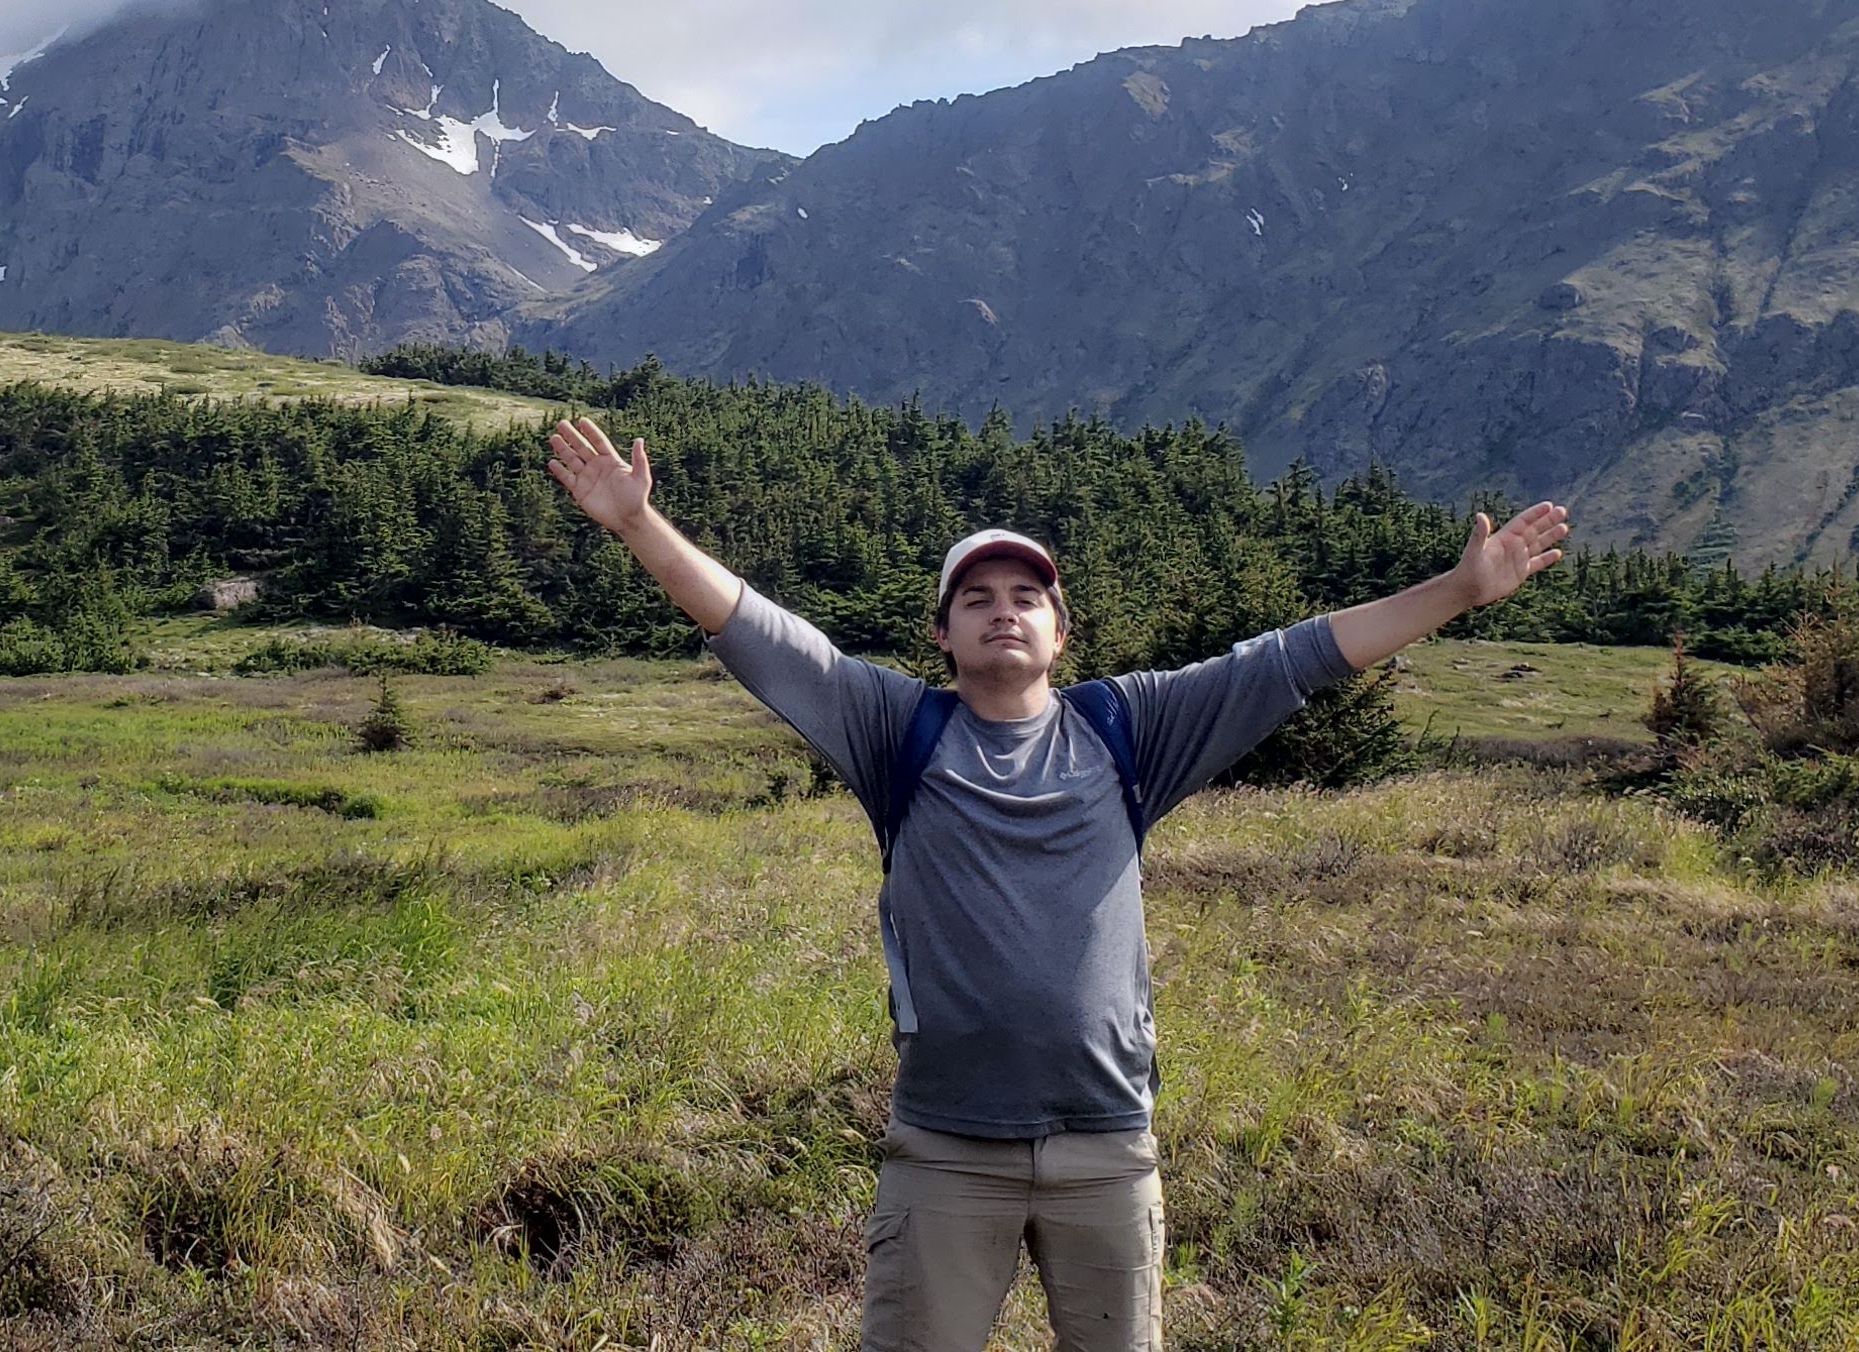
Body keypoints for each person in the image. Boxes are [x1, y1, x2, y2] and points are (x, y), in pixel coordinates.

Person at [542, 417, 1570, 1352]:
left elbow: (1295, 659)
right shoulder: (895, 729)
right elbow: (763, 634)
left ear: (1060, 632)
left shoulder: (1131, 729)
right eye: (976, 600)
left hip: (1108, 1148)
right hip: (943, 1148)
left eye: (1027, 597)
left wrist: (1461, 591)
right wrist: (640, 526)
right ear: (941, 635)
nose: (1004, 614)